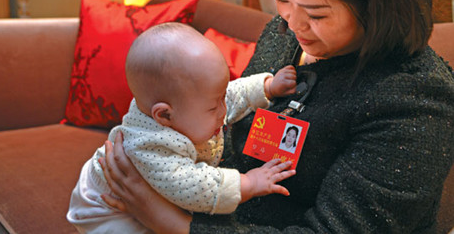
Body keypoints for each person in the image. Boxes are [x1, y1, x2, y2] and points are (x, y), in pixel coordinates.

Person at [99, 0, 454, 233]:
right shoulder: (282, 34)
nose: (292, 23)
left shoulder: (414, 101)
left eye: (316, 13)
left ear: (378, 6)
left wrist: (166, 220)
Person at [67, 22, 299, 233]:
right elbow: (193, 187)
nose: (223, 111)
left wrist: (266, 87)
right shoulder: (152, 144)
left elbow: (230, 94)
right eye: (212, 109)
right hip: (104, 206)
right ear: (164, 115)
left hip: (148, 190)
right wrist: (248, 183)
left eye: (220, 100)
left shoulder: (189, 107)